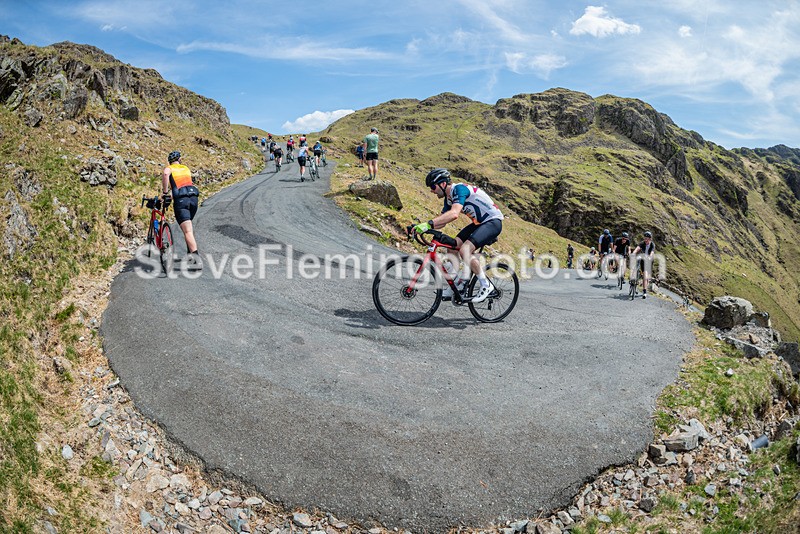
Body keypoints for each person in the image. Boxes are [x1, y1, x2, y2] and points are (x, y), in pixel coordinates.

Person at [412, 168, 503, 304]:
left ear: (443, 184)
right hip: (479, 223)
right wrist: (420, 227)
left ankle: (486, 285)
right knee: (453, 247)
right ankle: (456, 286)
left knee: (465, 250)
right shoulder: (448, 199)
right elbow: (442, 221)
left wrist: (428, 224)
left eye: (432, 186)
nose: (431, 190)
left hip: (493, 222)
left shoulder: (459, 190)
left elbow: (454, 214)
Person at [162, 151, 201, 268]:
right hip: (193, 199)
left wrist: (164, 193)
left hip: (181, 202)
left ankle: (195, 261)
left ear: (170, 162)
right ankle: (190, 254)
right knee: (189, 229)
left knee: (187, 231)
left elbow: (165, 174)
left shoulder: (170, 168)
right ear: (180, 159)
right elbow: (183, 186)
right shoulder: (185, 168)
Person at [630, 231, 655, 299]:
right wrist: (634, 253)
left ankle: (644, 291)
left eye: (647, 238)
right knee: (637, 267)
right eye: (645, 238)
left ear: (650, 239)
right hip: (643, 260)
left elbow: (652, 252)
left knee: (646, 277)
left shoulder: (652, 244)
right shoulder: (642, 243)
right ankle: (633, 279)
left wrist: (649, 257)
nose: (645, 240)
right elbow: (638, 248)